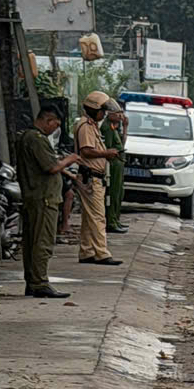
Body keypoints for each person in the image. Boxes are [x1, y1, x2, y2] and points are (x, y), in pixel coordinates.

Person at [15, 103, 83, 297]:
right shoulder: (37, 139)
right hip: (43, 198)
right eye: (55, 124)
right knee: (42, 242)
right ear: (47, 120)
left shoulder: (25, 137)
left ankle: (33, 280)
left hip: (34, 196)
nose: (56, 129)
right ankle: (39, 282)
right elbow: (51, 167)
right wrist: (69, 160)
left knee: (32, 241)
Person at [73, 91, 120, 265]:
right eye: (102, 111)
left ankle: (86, 251)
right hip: (90, 177)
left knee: (89, 217)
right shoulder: (86, 126)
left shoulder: (91, 125)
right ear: (95, 110)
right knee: (99, 217)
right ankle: (102, 253)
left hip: (94, 176)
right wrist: (106, 152)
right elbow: (86, 151)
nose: (104, 114)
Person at [103, 103, 129, 233]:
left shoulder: (114, 127)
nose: (121, 116)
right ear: (110, 114)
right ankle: (111, 221)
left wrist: (125, 128)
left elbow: (121, 144)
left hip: (119, 163)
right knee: (112, 194)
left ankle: (116, 219)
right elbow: (108, 149)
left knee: (119, 193)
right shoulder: (107, 127)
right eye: (118, 113)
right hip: (113, 165)